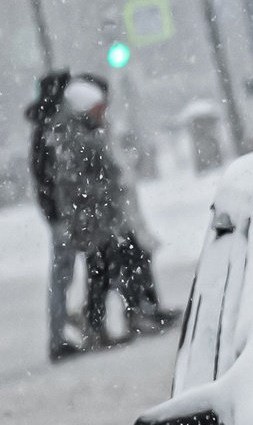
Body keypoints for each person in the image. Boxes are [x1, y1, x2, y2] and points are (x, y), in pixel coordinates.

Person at [44, 77, 172, 349]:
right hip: (94, 220)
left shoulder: (83, 132)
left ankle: (117, 318)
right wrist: (106, 189)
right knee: (103, 270)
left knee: (109, 268)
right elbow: (73, 185)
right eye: (97, 109)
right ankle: (113, 320)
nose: (102, 114)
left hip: (102, 218)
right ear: (84, 108)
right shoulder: (75, 137)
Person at [25, 71, 83, 360]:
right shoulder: (52, 130)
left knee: (63, 276)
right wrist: (60, 213)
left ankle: (62, 334)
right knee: (61, 276)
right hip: (63, 214)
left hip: (60, 213)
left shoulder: (45, 129)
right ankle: (59, 339)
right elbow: (50, 177)